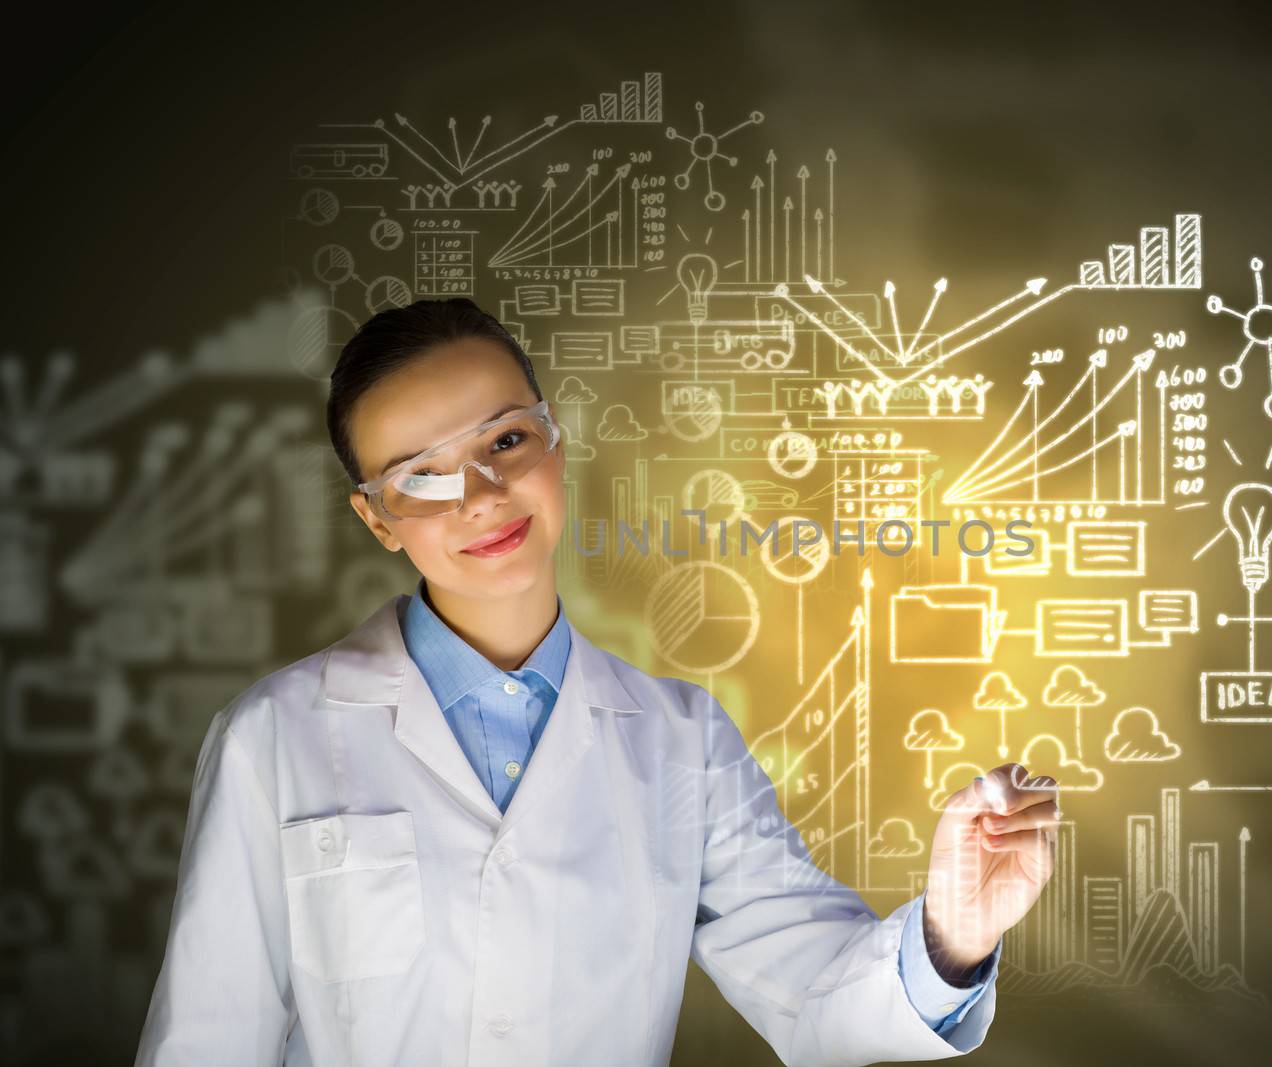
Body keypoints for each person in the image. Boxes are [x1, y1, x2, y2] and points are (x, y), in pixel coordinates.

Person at [134, 298, 1060, 1066]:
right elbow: (210, 1042)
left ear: (556, 438)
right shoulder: (277, 736)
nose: (485, 496)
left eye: (504, 438)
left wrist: (950, 935)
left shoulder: (682, 738)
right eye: (422, 476)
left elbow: (812, 987)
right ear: (377, 519)